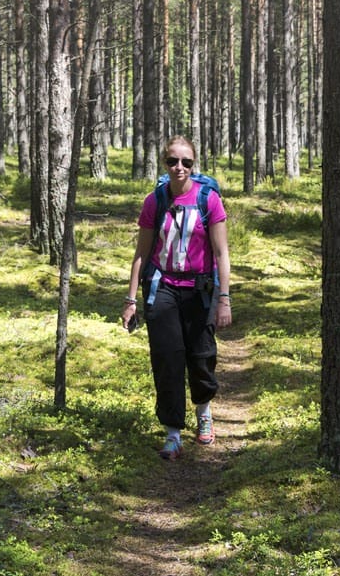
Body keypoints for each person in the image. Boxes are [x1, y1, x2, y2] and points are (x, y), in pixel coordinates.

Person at [122, 136, 232, 460]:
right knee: (167, 360)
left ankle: (204, 412)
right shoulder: (154, 201)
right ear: (164, 164)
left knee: (201, 356)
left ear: (194, 165)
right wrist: (130, 300)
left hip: (200, 289)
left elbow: (222, 253)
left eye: (186, 162)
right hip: (163, 288)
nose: (179, 168)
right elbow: (141, 254)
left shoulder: (208, 199)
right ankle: (172, 432)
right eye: (172, 161)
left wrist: (224, 298)